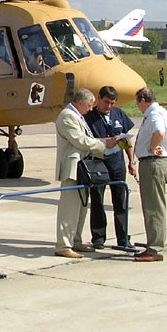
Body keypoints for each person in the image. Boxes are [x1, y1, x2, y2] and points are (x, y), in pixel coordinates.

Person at [54, 88, 117, 258]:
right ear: (80, 103)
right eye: (89, 106)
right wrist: (104, 144)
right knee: (69, 208)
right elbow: (80, 140)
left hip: (83, 168)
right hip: (72, 168)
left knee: (82, 207)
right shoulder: (67, 116)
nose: (91, 109)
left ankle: (76, 240)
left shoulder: (78, 116)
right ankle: (63, 245)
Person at [84, 86, 136, 249]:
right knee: (97, 200)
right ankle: (98, 238)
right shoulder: (89, 117)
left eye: (112, 103)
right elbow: (85, 140)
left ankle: (123, 238)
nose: (109, 106)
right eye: (106, 102)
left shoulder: (118, 114)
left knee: (120, 201)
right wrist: (105, 141)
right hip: (98, 163)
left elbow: (126, 140)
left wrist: (131, 161)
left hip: (117, 163)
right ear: (98, 99)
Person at [133, 87, 167, 262]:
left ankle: (154, 248)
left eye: (137, 103)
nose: (138, 107)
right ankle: (154, 242)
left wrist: (151, 147)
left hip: (152, 163)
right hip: (156, 163)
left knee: (153, 207)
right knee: (154, 205)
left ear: (143, 100)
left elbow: (159, 132)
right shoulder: (161, 110)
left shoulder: (154, 113)